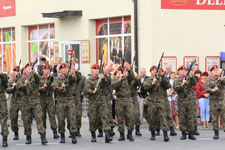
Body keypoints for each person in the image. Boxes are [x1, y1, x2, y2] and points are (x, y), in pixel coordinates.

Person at [17, 62, 48, 145]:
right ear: (25, 69)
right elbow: (18, 87)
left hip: (35, 100)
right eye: (28, 67)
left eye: (31, 67)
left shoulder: (35, 76)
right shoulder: (22, 78)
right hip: (25, 101)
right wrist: (24, 85)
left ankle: (43, 136)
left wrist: (34, 73)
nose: (29, 68)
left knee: (39, 118)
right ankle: (28, 137)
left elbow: (40, 80)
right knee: (26, 120)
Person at [84, 64, 112, 143]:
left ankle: (107, 134)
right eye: (95, 69)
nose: (96, 71)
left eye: (97, 69)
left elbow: (109, 82)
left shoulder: (102, 78)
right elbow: (86, 89)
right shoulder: (89, 80)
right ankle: (93, 134)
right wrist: (92, 91)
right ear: (92, 70)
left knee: (105, 117)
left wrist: (104, 78)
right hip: (93, 102)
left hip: (102, 101)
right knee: (93, 119)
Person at [52, 63, 78, 144]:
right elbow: (54, 87)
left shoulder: (71, 77)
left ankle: (73, 135)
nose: (64, 70)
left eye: (66, 68)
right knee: (61, 119)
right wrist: (61, 87)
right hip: (60, 101)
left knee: (72, 118)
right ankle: (62, 136)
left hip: (70, 100)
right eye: (62, 69)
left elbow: (74, 80)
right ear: (60, 70)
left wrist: (70, 75)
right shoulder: (57, 79)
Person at [143, 66, 170, 142]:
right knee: (152, 118)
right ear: (150, 72)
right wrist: (152, 83)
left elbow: (168, 85)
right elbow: (145, 87)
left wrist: (163, 77)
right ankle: (152, 133)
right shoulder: (149, 80)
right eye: (153, 70)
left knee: (163, 118)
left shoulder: (162, 80)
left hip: (161, 101)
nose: (155, 71)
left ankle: (165, 134)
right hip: (152, 101)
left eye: (156, 70)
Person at [173, 65, 198, 140]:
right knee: (183, 117)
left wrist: (191, 77)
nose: (183, 71)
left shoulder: (189, 79)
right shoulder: (177, 80)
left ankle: (191, 133)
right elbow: (176, 89)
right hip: (182, 101)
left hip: (190, 101)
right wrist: (182, 84)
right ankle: (183, 133)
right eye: (181, 70)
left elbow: (195, 83)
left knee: (191, 117)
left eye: (184, 70)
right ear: (179, 72)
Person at [111, 65, 135, 142]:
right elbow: (114, 86)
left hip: (128, 99)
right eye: (121, 71)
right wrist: (120, 78)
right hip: (120, 100)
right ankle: (122, 134)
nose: (123, 72)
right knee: (120, 118)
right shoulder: (115, 79)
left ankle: (130, 133)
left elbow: (132, 77)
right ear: (118, 71)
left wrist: (129, 70)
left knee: (131, 117)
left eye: (124, 71)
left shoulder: (128, 79)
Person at [39, 64, 59, 139]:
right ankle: (43, 133)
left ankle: (55, 132)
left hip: (49, 98)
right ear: (43, 70)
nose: (47, 71)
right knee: (42, 116)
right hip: (42, 98)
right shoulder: (39, 78)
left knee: (52, 115)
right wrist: (42, 87)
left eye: (48, 69)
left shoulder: (52, 78)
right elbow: (36, 88)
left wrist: (51, 78)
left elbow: (55, 84)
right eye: (45, 69)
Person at [205, 65, 225, 140]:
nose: (216, 71)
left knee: (224, 116)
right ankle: (216, 133)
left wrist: (221, 78)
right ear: (211, 72)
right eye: (214, 70)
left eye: (217, 70)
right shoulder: (209, 80)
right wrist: (212, 90)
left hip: (221, 100)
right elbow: (207, 88)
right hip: (213, 101)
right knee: (214, 118)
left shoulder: (221, 78)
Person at [6, 66, 24, 141]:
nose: (16, 72)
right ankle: (15, 132)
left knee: (26, 117)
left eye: (17, 71)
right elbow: (7, 90)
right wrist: (12, 87)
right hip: (14, 100)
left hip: (22, 99)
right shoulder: (10, 81)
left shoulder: (22, 79)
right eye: (15, 71)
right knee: (13, 117)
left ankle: (28, 134)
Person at [0, 73, 9, 147]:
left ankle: (4, 138)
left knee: (3, 119)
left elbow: (6, 83)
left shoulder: (2, 76)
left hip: (1, 99)